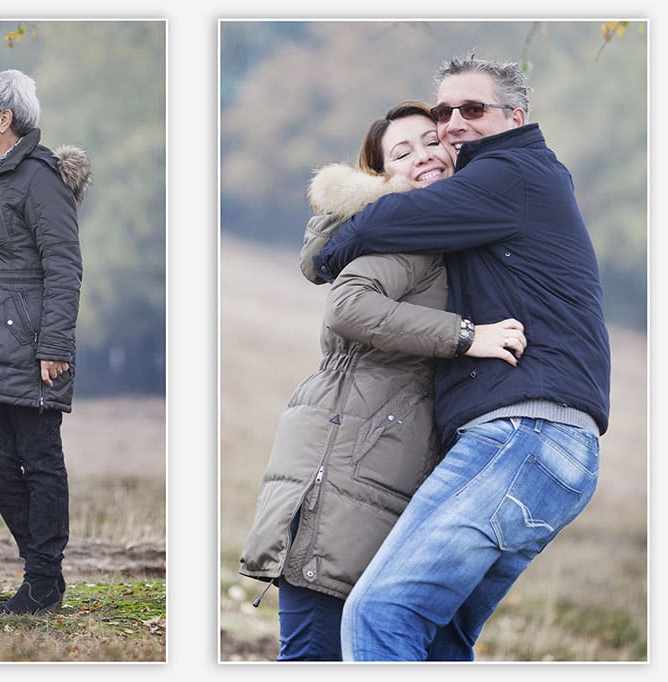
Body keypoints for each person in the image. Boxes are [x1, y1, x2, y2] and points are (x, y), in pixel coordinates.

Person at [308, 56, 611, 661]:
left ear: (515, 116)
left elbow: (393, 216)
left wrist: (325, 252)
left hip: (525, 434)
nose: (452, 124)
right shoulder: (503, 190)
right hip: (555, 452)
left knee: (379, 614)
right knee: (439, 638)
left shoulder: (511, 172)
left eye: (471, 109)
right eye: (443, 111)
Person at [239, 101, 527, 660]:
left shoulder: (447, 230)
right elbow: (348, 308)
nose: (424, 157)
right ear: (383, 177)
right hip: (346, 462)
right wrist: (468, 335)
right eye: (403, 152)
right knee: (315, 654)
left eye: (430, 141)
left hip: (380, 463)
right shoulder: (406, 230)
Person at [0, 69, 90, 615]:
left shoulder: (39, 178)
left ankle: (41, 578)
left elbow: (64, 267)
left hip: (33, 351)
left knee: (40, 461)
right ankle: (42, 570)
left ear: (4, 119)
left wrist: (53, 344)